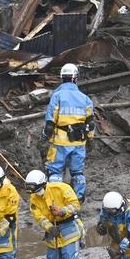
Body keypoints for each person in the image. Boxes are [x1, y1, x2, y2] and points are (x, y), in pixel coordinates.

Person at [25, 169, 93, 259]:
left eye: (36, 189)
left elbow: (75, 205)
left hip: (69, 227)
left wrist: (62, 211)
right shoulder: (34, 199)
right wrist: (49, 228)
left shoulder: (61, 188)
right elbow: (39, 217)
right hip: (53, 230)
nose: (35, 193)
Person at [44, 63, 94, 203]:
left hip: (60, 143)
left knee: (54, 171)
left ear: (62, 78)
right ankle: (78, 199)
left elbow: (50, 124)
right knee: (77, 172)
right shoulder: (85, 98)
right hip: (79, 142)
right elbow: (91, 123)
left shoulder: (57, 96)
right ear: (75, 78)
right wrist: (90, 137)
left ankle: (56, 198)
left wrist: (45, 135)